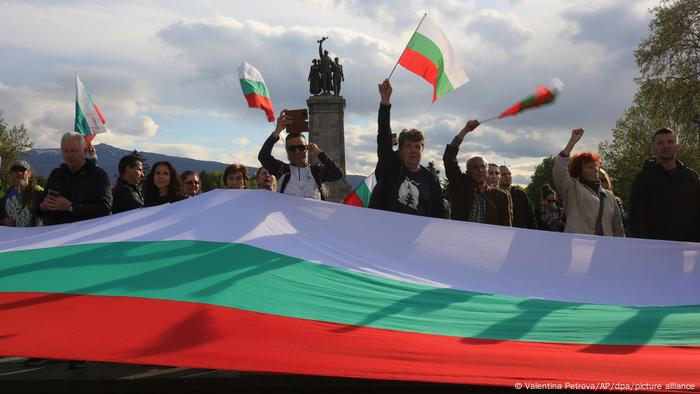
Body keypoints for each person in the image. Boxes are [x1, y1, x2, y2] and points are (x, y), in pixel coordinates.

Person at [368, 80, 445, 218]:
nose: (413, 150)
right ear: (400, 150)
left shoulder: (431, 179)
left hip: (416, 237)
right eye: (408, 146)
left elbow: (438, 212)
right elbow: (384, 138)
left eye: (417, 147)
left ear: (422, 150)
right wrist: (385, 101)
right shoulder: (391, 167)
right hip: (385, 232)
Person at [629, 128, 700, 242]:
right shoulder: (643, 179)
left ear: (678, 147)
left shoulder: (691, 177)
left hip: (688, 248)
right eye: (660, 143)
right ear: (653, 149)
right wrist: (645, 246)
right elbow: (637, 217)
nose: (666, 146)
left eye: (670, 142)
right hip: (657, 249)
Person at [552, 128, 624, 236]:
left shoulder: (609, 196)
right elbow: (559, 170)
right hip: (577, 247)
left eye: (596, 166)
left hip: (604, 249)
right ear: (579, 171)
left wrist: (619, 249)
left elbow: (618, 228)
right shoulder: (571, 188)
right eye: (590, 167)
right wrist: (572, 142)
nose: (595, 169)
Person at [258, 110, 343, 200]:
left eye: (301, 147)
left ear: (307, 148)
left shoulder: (317, 172)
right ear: (286, 150)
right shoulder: (281, 169)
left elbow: (337, 174)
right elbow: (263, 156)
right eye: (292, 148)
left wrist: (319, 152)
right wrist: (277, 131)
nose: (297, 151)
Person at [443, 120, 511, 226]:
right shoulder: (460, 187)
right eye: (475, 167)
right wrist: (464, 131)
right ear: (467, 172)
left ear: (487, 170)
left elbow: (507, 227)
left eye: (482, 166)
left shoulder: (500, 197)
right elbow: (448, 159)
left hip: (489, 241)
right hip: (462, 238)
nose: (479, 170)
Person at [38, 132, 112, 226]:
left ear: (84, 151)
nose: (69, 155)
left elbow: (105, 208)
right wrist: (42, 206)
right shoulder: (56, 174)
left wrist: (71, 207)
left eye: (73, 151)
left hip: (84, 235)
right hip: (55, 235)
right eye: (66, 151)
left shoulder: (98, 175)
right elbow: (37, 205)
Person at [0, 160, 43, 227]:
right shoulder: (4, 195)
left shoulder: (39, 192)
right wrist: (3, 221)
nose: (19, 173)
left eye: (22, 170)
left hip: (34, 235)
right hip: (13, 236)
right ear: (11, 174)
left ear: (29, 173)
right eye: (15, 170)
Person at [499, 165, 536, 229]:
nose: (507, 176)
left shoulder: (521, 194)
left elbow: (530, 218)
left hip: (521, 233)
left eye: (509, 174)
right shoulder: (495, 196)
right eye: (503, 174)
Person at [599, 168, 630, 237]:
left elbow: (623, 222)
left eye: (603, 180)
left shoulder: (614, 200)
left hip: (610, 240)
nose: (601, 182)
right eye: (598, 179)